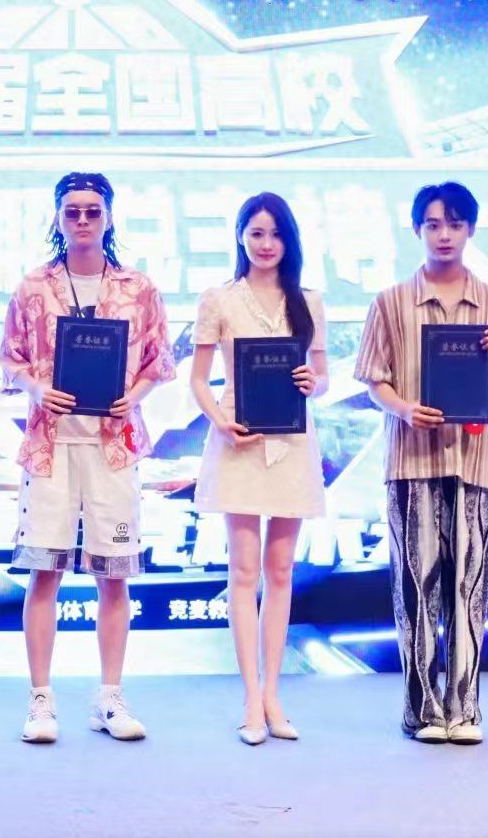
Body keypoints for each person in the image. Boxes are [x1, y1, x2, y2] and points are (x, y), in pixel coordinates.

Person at [0, 172, 175, 744]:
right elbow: (11, 359)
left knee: (114, 576)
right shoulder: (33, 287)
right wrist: (36, 388)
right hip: (50, 446)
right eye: (71, 210)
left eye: (92, 210)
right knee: (44, 573)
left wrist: (135, 395)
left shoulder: (138, 288)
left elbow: (158, 361)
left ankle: (109, 697)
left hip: (114, 445)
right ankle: (40, 700)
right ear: (57, 217)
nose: (82, 220)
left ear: (109, 217)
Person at [354, 181, 488, 746]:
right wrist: (405, 409)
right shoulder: (389, 302)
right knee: (416, 586)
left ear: (470, 229)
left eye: (454, 224)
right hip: (412, 462)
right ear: (417, 231)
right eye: (432, 224)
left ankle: (465, 708)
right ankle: (423, 709)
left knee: (469, 589)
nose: (443, 234)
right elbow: (374, 381)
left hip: (474, 464)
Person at [189, 193, 327, 745]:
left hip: (292, 443)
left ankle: (274, 694)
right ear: (241, 237)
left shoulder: (308, 301)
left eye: (275, 234)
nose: (266, 244)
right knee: (244, 572)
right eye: (256, 234)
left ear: (289, 241)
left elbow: (322, 374)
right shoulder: (219, 299)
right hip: (239, 441)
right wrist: (220, 420)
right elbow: (199, 380)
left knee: (281, 571)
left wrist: (313, 383)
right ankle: (250, 697)